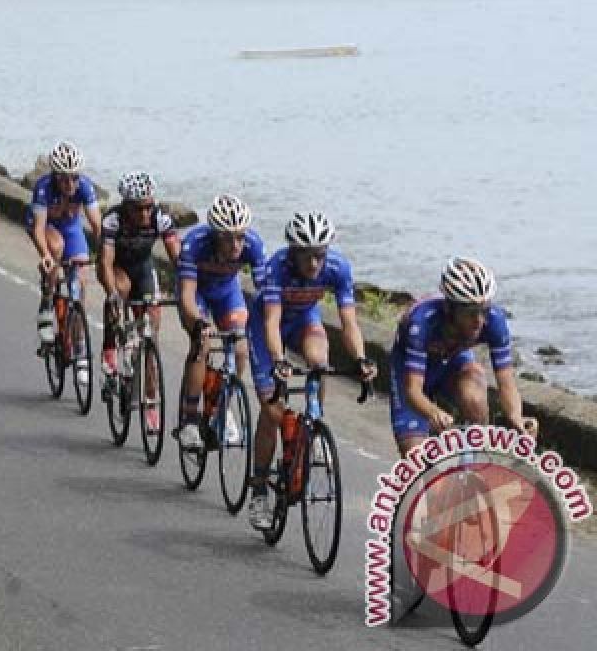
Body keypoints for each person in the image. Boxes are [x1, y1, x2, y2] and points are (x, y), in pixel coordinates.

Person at [245, 211, 377, 530]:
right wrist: (278, 359)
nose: (315, 264)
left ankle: (313, 422)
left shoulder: (338, 267)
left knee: (320, 361)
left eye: (320, 255)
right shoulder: (277, 267)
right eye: (307, 256)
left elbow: (349, 323)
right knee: (272, 410)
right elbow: (272, 321)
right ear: (293, 252)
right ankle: (260, 489)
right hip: (267, 331)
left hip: (305, 320)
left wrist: (360, 359)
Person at [390, 256, 537, 457]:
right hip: (410, 374)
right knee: (416, 460)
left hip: (452, 362)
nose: (479, 321)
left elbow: (507, 384)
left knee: (474, 389)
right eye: (470, 313)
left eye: (483, 310)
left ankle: (479, 460)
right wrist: (435, 413)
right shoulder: (421, 323)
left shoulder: (494, 320)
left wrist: (516, 417)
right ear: (449, 309)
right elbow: (413, 391)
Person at [174, 194, 267, 449]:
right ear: (215, 235)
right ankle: (189, 420)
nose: (236, 245)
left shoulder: (254, 245)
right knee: (201, 345)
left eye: (240, 236)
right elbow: (187, 296)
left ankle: (222, 407)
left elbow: (266, 295)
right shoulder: (195, 244)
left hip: (227, 292)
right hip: (197, 294)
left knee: (240, 347)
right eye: (228, 238)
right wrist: (199, 323)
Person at [96, 171, 180, 434]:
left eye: (149, 206)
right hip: (116, 268)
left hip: (143, 269)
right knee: (119, 292)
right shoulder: (112, 220)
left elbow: (178, 258)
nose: (146, 213)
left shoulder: (160, 218)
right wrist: (111, 293)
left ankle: (151, 402)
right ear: (127, 206)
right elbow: (106, 262)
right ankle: (110, 348)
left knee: (150, 336)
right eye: (139, 209)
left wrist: (186, 289)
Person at [26, 141, 102, 387]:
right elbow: (38, 228)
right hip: (46, 228)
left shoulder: (86, 187)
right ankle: (46, 303)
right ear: (55, 176)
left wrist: (103, 255)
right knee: (56, 248)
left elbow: (97, 226)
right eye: (64, 179)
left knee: (78, 287)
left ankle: (80, 352)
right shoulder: (43, 188)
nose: (70, 185)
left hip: (71, 228)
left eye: (74, 178)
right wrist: (46, 255)